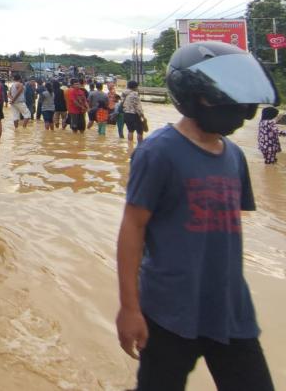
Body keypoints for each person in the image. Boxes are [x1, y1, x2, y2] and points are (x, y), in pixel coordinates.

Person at [115, 41, 277, 391]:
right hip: (168, 311)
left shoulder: (234, 156)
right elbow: (133, 228)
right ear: (196, 95)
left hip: (231, 308)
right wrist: (130, 308)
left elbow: (228, 234)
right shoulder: (157, 153)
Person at [123, 80, 146, 145]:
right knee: (140, 131)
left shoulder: (125, 93)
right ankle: (140, 146)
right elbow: (138, 107)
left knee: (130, 131)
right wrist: (143, 116)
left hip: (126, 114)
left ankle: (130, 146)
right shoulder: (135, 94)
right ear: (135, 87)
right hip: (134, 115)